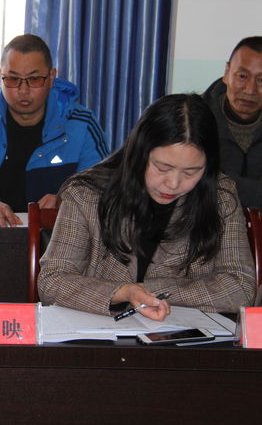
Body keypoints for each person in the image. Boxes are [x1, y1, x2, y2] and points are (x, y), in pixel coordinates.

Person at [38, 94, 256, 320]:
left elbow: (241, 288)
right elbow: (52, 281)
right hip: (99, 334)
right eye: (162, 168)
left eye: (191, 172)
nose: (173, 183)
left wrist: (148, 289)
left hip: (185, 336)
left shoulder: (220, 197)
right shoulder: (87, 194)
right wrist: (123, 292)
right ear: (140, 153)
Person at [0, 34, 109, 228]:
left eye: (34, 79)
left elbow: (104, 189)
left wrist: (66, 200)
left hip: (58, 237)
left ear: (51, 77)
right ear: (0, 76)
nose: (23, 90)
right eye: (13, 79)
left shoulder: (82, 125)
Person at [201, 36, 262, 208]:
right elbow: (200, 183)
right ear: (227, 73)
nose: (250, 90)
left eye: (261, 80)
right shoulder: (194, 119)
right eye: (242, 76)